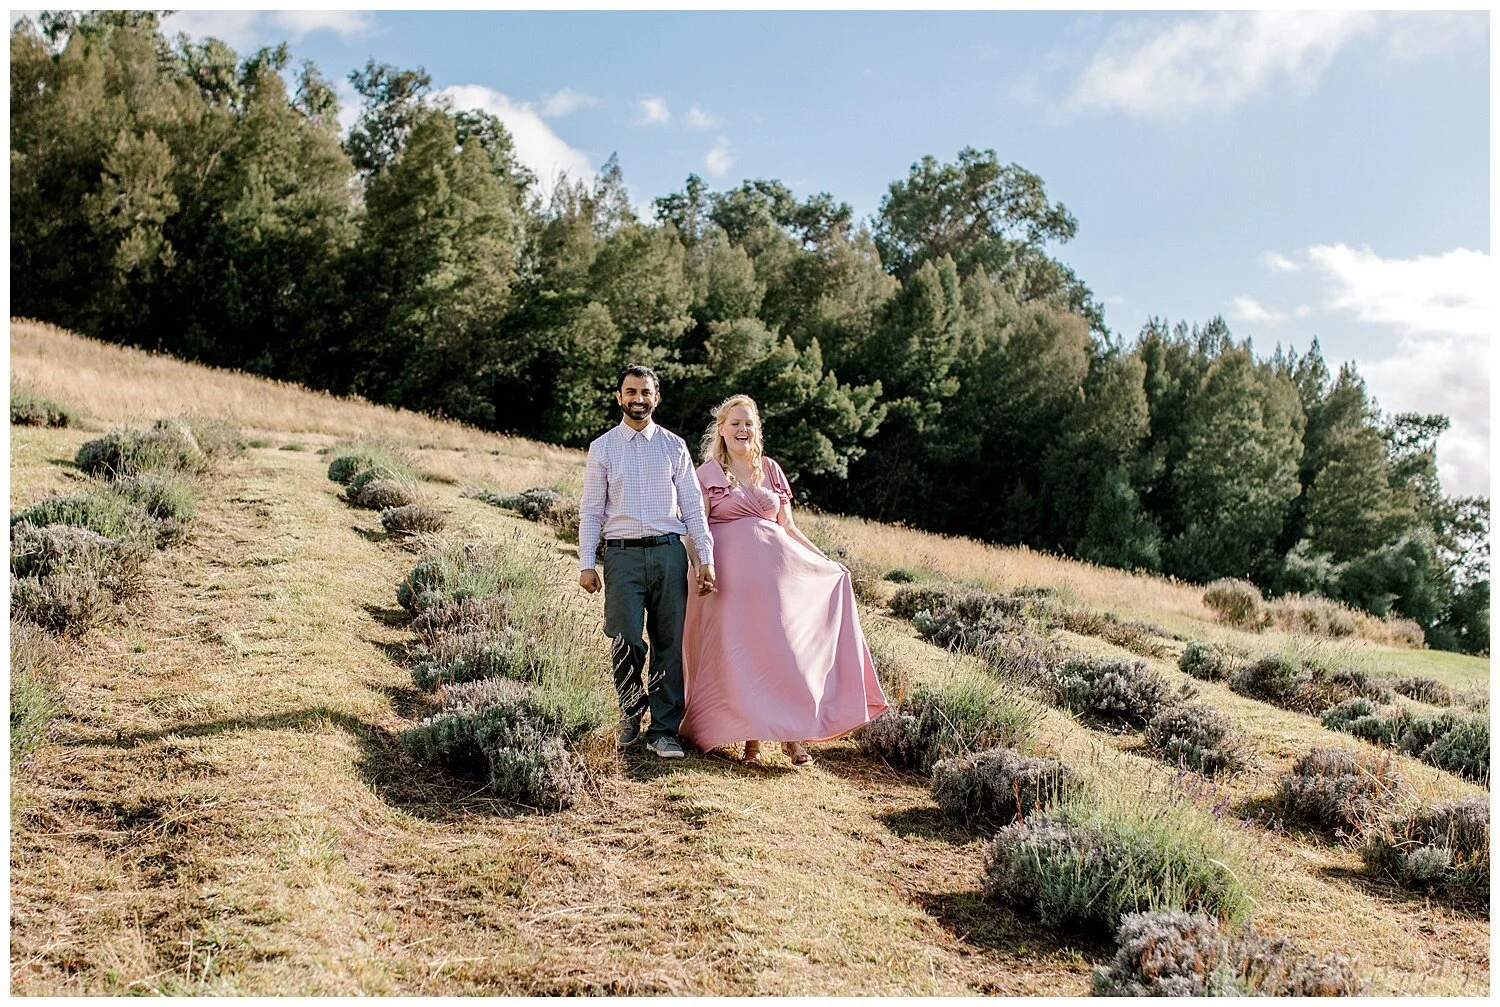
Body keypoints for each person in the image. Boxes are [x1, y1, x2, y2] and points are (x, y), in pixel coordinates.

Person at [679, 394, 887, 766]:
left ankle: (793, 736)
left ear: (757, 429)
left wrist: (825, 562)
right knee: (743, 657)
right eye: (735, 423)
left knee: (782, 653)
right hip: (731, 587)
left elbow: (788, 527)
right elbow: (695, 529)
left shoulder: (771, 470)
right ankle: (751, 743)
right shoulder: (706, 474)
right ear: (721, 429)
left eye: (749, 423)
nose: (743, 429)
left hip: (778, 584)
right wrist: (699, 566)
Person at [578, 365, 716, 759]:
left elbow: (692, 507)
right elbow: (591, 511)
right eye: (630, 391)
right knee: (625, 638)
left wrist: (704, 557)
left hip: (670, 554)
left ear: (656, 398)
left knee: (668, 643)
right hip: (621, 557)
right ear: (619, 397)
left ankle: (663, 730)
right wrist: (587, 562)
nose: (638, 398)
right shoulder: (602, 448)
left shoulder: (674, 447)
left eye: (645, 392)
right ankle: (629, 712)